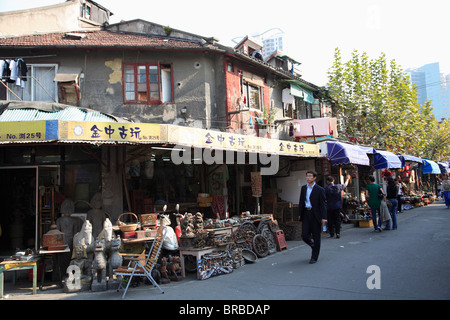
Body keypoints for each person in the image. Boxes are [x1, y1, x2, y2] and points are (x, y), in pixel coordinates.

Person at [298, 170, 327, 264]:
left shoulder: (320, 189)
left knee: (316, 235)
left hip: (316, 214)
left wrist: (324, 217)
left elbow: (323, 205)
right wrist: (299, 214)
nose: (308, 178)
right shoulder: (303, 188)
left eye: (310, 176)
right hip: (306, 213)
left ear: (314, 178)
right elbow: (301, 202)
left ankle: (314, 257)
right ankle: (313, 246)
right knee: (304, 235)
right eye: (307, 176)